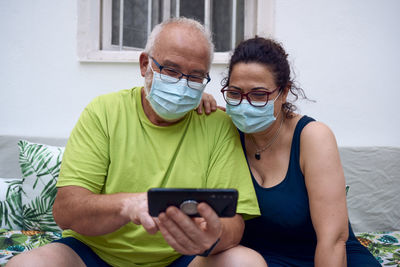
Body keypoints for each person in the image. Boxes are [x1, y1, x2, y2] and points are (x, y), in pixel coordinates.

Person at [6, 18, 261, 267]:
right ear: (144, 64)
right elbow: (66, 211)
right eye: (171, 70)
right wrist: (128, 206)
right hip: (93, 253)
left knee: (246, 262)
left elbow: (234, 222)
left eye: (195, 77)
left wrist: (211, 237)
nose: (182, 85)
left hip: (182, 258)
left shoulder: (216, 124)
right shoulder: (104, 113)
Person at [190, 37, 381, 266]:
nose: (244, 103)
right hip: (264, 260)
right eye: (235, 93)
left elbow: (333, 240)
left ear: (284, 92)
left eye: (259, 94)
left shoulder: (312, 137)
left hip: (329, 256)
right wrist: (192, 99)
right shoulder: (225, 131)